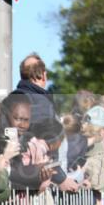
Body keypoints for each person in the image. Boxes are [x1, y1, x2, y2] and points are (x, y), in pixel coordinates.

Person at [13, 56, 79, 194]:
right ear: (43, 75)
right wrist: (62, 180)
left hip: (17, 180)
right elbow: (45, 147)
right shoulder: (39, 103)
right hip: (35, 186)